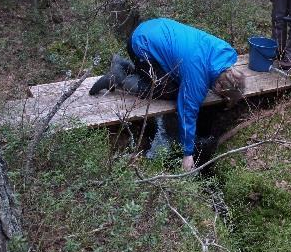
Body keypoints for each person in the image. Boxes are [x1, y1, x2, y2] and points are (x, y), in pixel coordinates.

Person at [90, 18, 245, 171]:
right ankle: (120, 79)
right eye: (222, 94)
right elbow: (186, 111)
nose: (218, 96)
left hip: (152, 28)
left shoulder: (225, 52)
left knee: (171, 76)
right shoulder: (197, 76)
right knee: (169, 90)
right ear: (219, 85)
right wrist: (188, 154)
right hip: (141, 46)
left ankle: (122, 65)